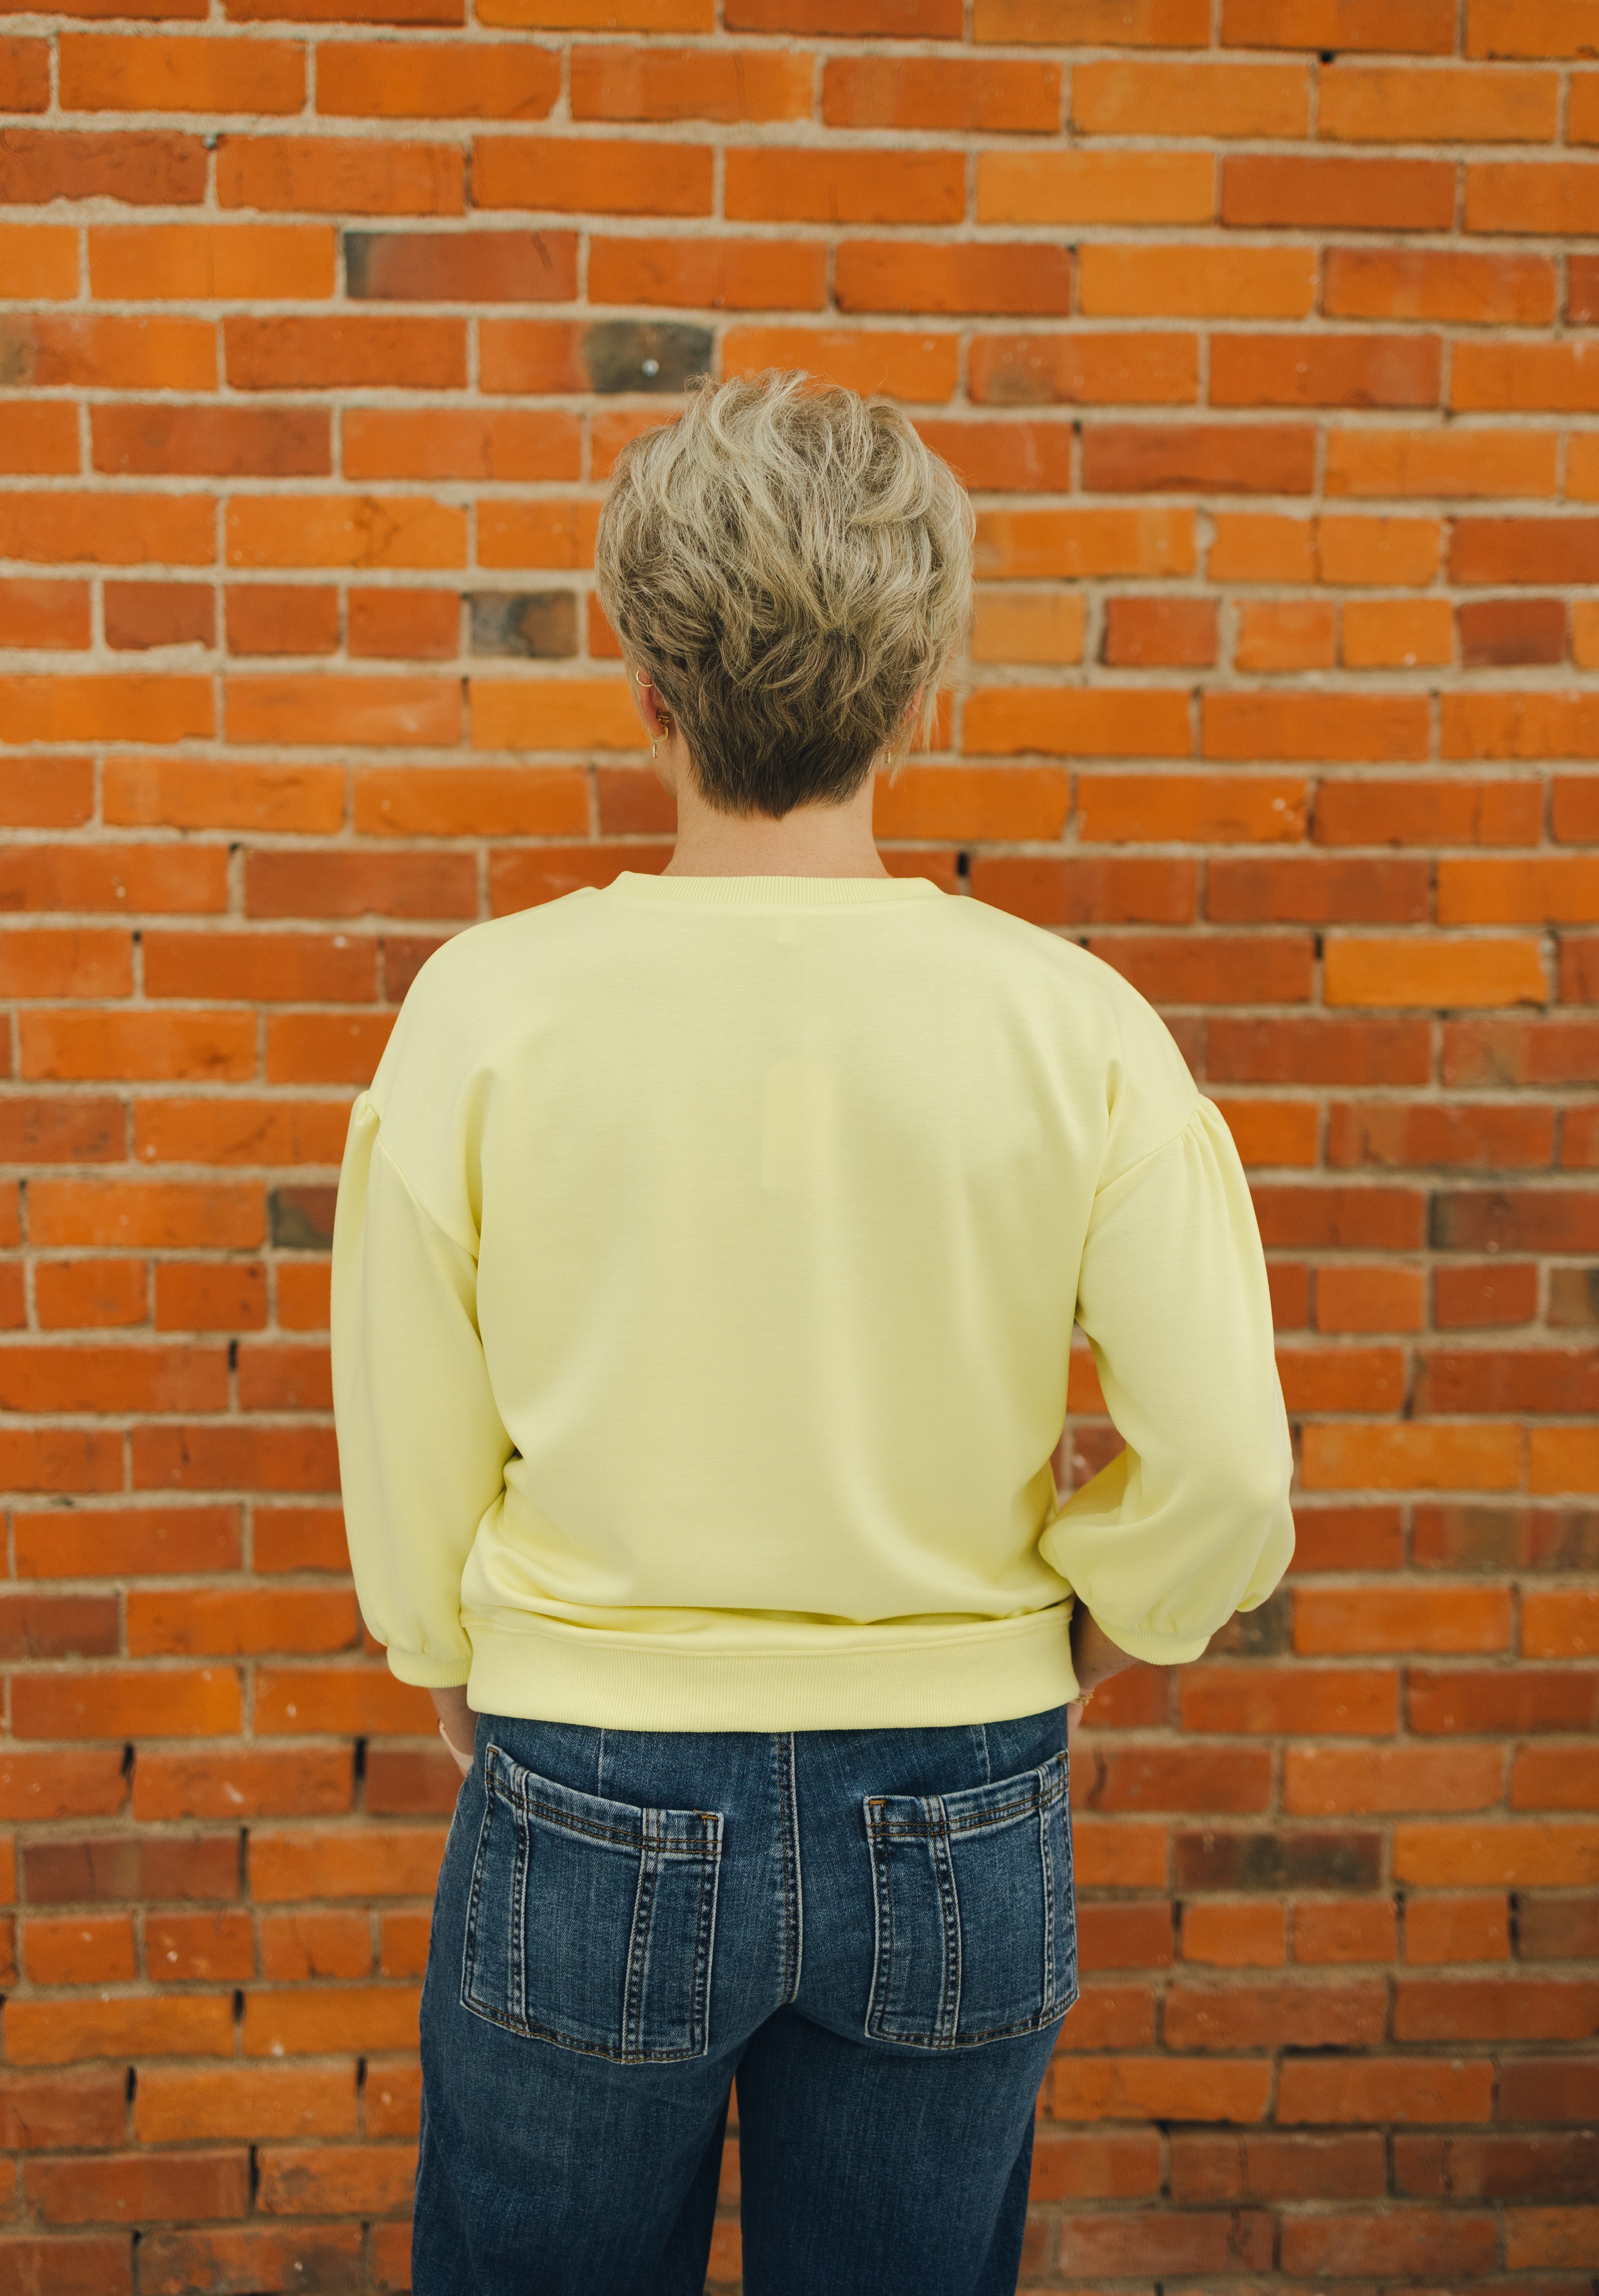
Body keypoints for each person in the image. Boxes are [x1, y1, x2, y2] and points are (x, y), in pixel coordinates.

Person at [329, 370, 1295, 2296]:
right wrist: (1086, 1631)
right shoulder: (1075, 1027)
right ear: (922, 683)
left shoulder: (485, 1012)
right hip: (960, 1782)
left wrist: (453, 1660)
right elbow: (1231, 1472)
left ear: (643, 675)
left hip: (590, 1761)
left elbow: (409, 1435)